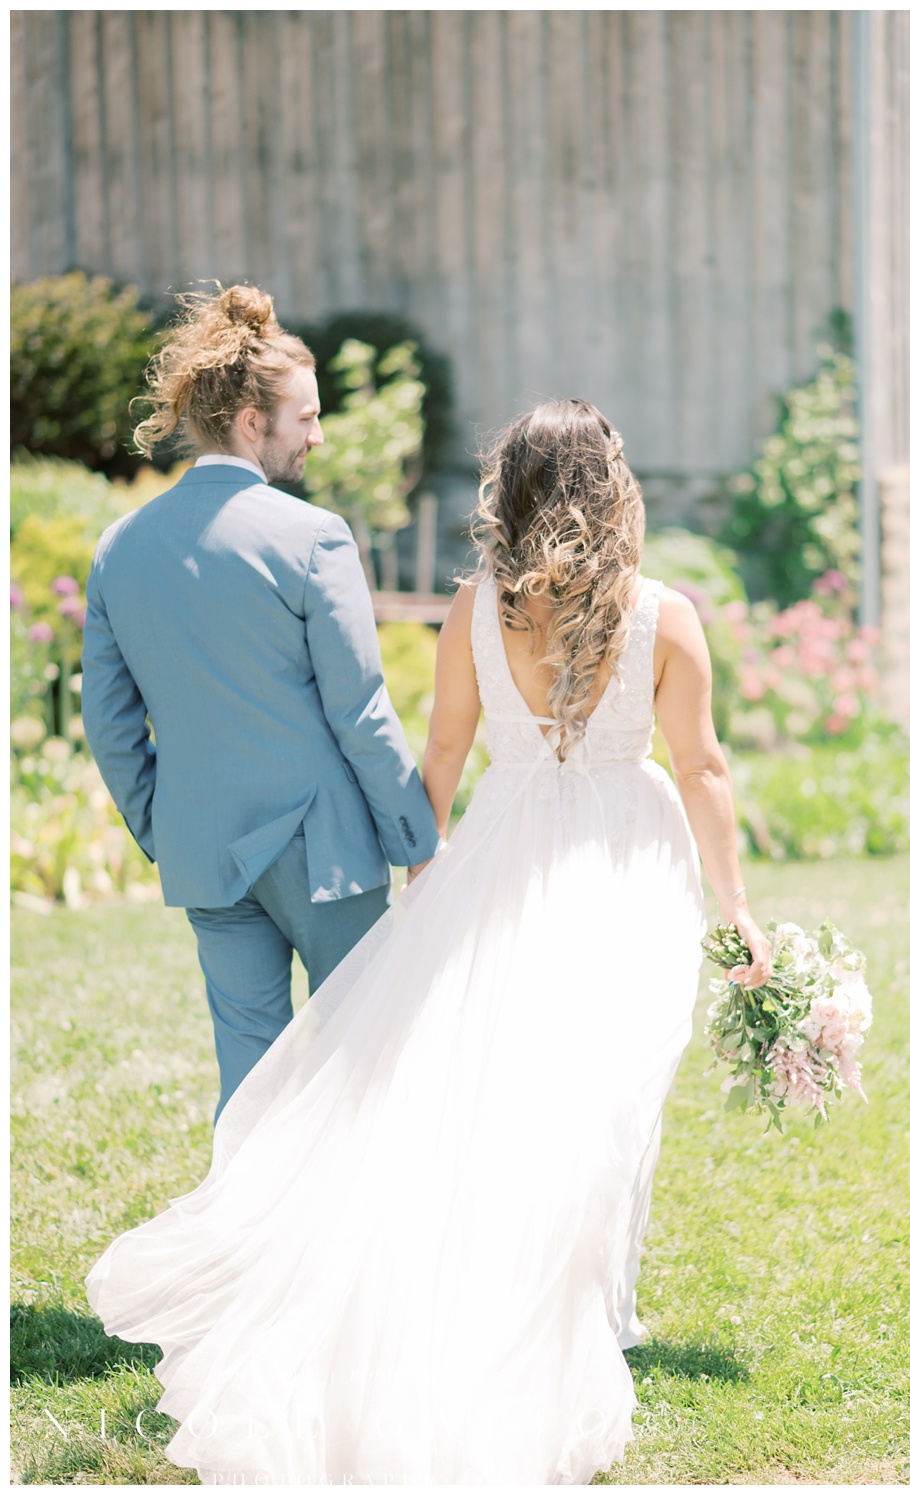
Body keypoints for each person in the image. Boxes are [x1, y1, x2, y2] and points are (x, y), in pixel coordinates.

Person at [85, 397, 776, 1483]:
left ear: (507, 492)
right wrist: (734, 907)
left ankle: (548, 1296)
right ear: (612, 488)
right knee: (603, 1096)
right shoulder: (663, 612)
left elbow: (442, 756)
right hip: (624, 867)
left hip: (501, 854)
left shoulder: (470, 612)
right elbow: (702, 769)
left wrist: (427, 873)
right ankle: (574, 1314)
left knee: (505, 1091)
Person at [82, 285, 438, 1120]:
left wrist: (164, 825)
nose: (317, 435)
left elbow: (109, 721)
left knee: (251, 1083)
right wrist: (419, 841)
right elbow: (360, 710)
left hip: (206, 853)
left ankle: (245, 1246)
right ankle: (350, 1246)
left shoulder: (118, 549)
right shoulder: (314, 537)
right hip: (326, 855)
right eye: (306, 418)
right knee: (364, 1072)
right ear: (251, 420)